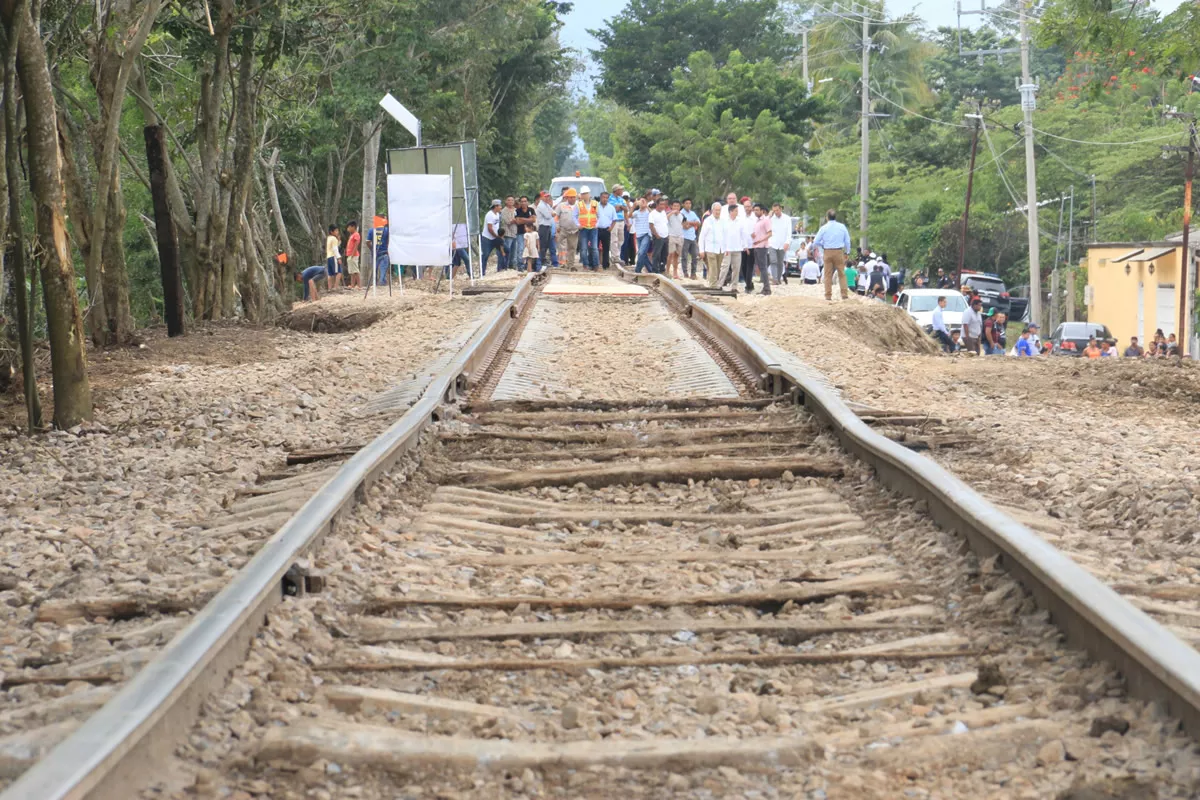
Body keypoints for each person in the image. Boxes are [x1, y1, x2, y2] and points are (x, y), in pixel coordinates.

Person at [812, 209, 851, 301]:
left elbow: (815, 241)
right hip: (839, 251)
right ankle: (844, 294)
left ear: (827, 218)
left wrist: (823, 245)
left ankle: (828, 295)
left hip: (827, 252)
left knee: (827, 274)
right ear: (835, 217)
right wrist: (847, 252)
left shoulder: (824, 228)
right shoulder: (842, 227)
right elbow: (847, 241)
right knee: (841, 273)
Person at [699, 202, 724, 288]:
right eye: (716, 210)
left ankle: (713, 284)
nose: (717, 212)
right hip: (710, 249)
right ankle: (713, 286)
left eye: (719, 210)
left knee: (718, 268)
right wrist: (701, 250)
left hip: (720, 249)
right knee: (713, 268)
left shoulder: (723, 221)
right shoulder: (708, 221)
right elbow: (702, 236)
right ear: (712, 210)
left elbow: (725, 235)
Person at [555, 188, 580, 269]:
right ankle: (562, 263)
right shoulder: (561, 205)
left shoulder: (579, 205)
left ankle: (571, 264)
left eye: (574, 197)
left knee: (572, 248)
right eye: (570, 197)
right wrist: (557, 226)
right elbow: (556, 216)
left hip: (574, 230)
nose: (572, 199)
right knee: (561, 246)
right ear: (567, 198)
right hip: (563, 230)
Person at [719, 204, 743, 289]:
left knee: (736, 268)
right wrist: (724, 248)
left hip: (737, 248)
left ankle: (734, 287)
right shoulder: (724, 222)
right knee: (725, 267)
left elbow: (743, 234)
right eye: (736, 211)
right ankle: (719, 285)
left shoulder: (740, 222)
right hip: (727, 249)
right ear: (731, 212)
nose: (737, 212)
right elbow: (722, 236)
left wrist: (744, 246)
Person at [751, 203, 772, 296]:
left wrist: (760, 240)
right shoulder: (756, 221)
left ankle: (767, 288)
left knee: (763, 267)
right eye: (754, 210)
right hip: (756, 246)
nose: (755, 212)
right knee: (760, 267)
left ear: (762, 211)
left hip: (762, 246)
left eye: (757, 210)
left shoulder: (766, 220)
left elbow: (769, 233)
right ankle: (765, 287)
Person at [577, 188, 599, 270]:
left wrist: (597, 224)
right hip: (583, 229)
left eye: (586, 193)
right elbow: (574, 216)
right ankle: (585, 265)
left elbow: (599, 215)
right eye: (583, 194)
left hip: (593, 228)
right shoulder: (579, 205)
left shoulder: (595, 204)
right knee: (583, 249)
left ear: (589, 194)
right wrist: (578, 225)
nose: (585, 195)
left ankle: (596, 265)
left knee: (594, 248)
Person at [482, 199, 504, 274]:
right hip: (488, 238)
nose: (501, 207)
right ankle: (482, 272)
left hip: (495, 237)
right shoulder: (490, 215)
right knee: (485, 255)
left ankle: (501, 269)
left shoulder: (497, 214)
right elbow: (490, 228)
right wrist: (497, 236)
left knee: (504, 250)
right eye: (500, 206)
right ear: (496, 206)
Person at [632, 194, 653, 273]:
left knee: (641, 253)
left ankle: (637, 270)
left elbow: (653, 214)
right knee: (643, 254)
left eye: (644, 201)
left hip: (646, 234)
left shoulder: (648, 212)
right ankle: (651, 270)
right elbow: (629, 216)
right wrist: (633, 206)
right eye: (641, 201)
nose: (642, 202)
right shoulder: (636, 212)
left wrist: (646, 206)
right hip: (638, 235)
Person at [649, 196, 670, 274]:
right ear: (657, 204)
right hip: (658, 237)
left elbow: (665, 223)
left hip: (665, 236)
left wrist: (667, 235)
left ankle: (662, 269)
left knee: (664, 254)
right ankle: (655, 270)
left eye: (664, 204)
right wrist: (657, 235)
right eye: (661, 204)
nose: (662, 206)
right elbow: (651, 226)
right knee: (656, 254)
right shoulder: (652, 214)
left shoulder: (663, 212)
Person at [681, 199, 701, 278]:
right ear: (683, 204)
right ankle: (685, 273)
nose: (688, 205)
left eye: (689, 203)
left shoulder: (693, 213)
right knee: (684, 256)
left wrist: (689, 222)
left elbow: (699, 223)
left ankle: (693, 273)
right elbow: (685, 226)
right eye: (686, 203)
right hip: (684, 237)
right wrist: (693, 223)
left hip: (693, 237)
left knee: (695, 256)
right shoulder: (681, 213)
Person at [535, 191, 555, 270]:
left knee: (546, 245)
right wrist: (551, 213)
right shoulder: (541, 206)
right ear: (541, 197)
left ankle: (543, 260)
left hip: (548, 226)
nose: (547, 198)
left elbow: (553, 212)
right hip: (543, 226)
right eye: (545, 196)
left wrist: (552, 213)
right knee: (542, 245)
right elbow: (548, 216)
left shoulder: (546, 205)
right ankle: (539, 262)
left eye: (548, 196)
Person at [666, 198, 685, 279]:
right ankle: (667, 271)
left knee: (677, 255)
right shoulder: (669, 214)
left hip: (680, 236)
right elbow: (665, 219)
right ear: (671, 206)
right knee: (670, 254)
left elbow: (684, 224)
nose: (676, 207)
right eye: (674, 206)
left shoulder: (682, 215)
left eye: (677, 206)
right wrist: (672, 212)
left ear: (680, 207)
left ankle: (675, 273)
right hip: (671, 235)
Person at [596, 191, 615, 269]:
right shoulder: (595, 206)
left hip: (606, 230)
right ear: (600, 198)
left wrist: (611, 227)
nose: (605, 199)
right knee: (594, 247)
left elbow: (614, 219)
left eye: (606, 198)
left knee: (606, 248)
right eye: (603, 197)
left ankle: (605, 265)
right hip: (596, 229)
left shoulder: (611, 207)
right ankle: (594, 264)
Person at [610, 185, 628, 265]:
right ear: (616, 190)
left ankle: (617, 255)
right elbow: (614, 209)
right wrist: (621, 207)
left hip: (621, 220)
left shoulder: (621, 199)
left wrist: (620, 206)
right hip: (614, 221)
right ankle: (615, 256)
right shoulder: (610, 198)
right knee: (614, 238)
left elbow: (626, 209)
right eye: (621, 189)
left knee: (621, 239)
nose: (622, 191)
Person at [500, 196, 519, 272]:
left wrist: (517, 220)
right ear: (506, 201)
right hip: (507, 233)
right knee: (508, 250)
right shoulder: (503, 211)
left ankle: (512, 265)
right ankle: (505, 265)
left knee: (514, 250)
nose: (510, 201)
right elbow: (508, 221)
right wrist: (517, 220)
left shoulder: (516, 210)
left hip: (515, 232)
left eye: (512, 200)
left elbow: (519, 220)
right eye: (509, 200)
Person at [344, 221, 361, 289]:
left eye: (349, 227)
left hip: (353, 255)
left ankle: (359, 285)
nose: (348, 229)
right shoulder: (351, 235)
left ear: (353, 227)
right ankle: (352, 285)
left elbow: (356, 244)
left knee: (356, 270)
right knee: (351, 272)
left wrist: (353, 254)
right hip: (349, 255)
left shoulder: (356, 234)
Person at [325, 224, 342, 290]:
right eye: (336, 231)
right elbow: (335, 249)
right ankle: (335, 287)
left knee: (330, 274)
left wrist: (339, 241)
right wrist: (338, 258)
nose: (337, 232)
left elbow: (335, 246)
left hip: (329, 257)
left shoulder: (329, 238)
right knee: (339, 272)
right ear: (332, 232)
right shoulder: (334, 239)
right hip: (334, 256)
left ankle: (329, 288)